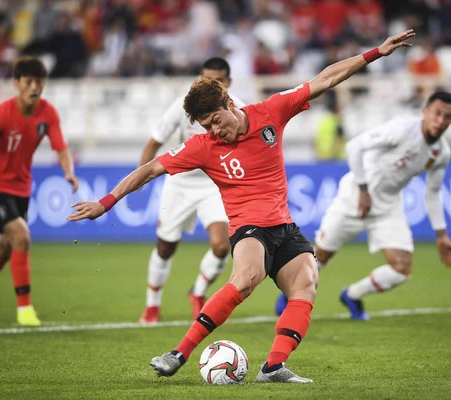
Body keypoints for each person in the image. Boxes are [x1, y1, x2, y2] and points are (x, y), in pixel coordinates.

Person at [67, 29, 416, 383]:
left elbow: (325, 78)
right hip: (249, 228)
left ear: (231, 104)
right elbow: (151, 168)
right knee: (246, 278)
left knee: (307, 284)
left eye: (217, 120)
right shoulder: (203, 146)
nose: (215, 131)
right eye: (207, 126)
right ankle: (178, 353)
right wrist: (106, 202)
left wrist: (376, 53)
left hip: (284, 225)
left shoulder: (271, 111)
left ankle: (273, 367)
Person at [276, 91, 451, 320]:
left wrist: (441, 235)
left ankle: (352, 295)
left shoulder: (441, 153)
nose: (441, 121)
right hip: (354, 196)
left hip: (387, 206)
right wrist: (363, 190)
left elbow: (432, 192)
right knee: (320, 255)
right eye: (437, 113)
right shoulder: (402, 129)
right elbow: (354, 147)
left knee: (401, 268)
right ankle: (290, 294)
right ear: (425, 112)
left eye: (447, 117)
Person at [0, 56, 79, 326]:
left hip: (21, 187)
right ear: (17, 84)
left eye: (39, 81)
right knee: (22, 236)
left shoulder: (48, 113)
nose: (35, 87)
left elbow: (61, 147)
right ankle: (25, 308)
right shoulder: (1, 114)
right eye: (28, 81)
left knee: (7, 245)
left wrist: (68, 172)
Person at [138, 57, 245, 324]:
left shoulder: (240, 109)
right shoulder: (185, 105)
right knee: (165, 247)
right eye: (206, 78)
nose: (210, 84)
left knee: (222, 246)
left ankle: (197, 292)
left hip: (214, 183)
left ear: (228, 83)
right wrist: (140, 180)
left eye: (217, 80)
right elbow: (154, 142)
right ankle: (152, 305)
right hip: (180, 183)